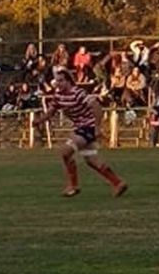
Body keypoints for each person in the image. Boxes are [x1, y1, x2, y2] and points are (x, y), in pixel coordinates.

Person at [33, 69, 128, 198]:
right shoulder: (59, 96)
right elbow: (50, 112)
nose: (58, 83)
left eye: (61, 80)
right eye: (57, 81)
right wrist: (39, 121)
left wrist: (97, 128)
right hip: (81, 127)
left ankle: (73, 186)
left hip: (87, 127)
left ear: (68, 81)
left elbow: (97, 107)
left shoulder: (78, 93)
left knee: (65, 152)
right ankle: (118, 183)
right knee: (91, 160)